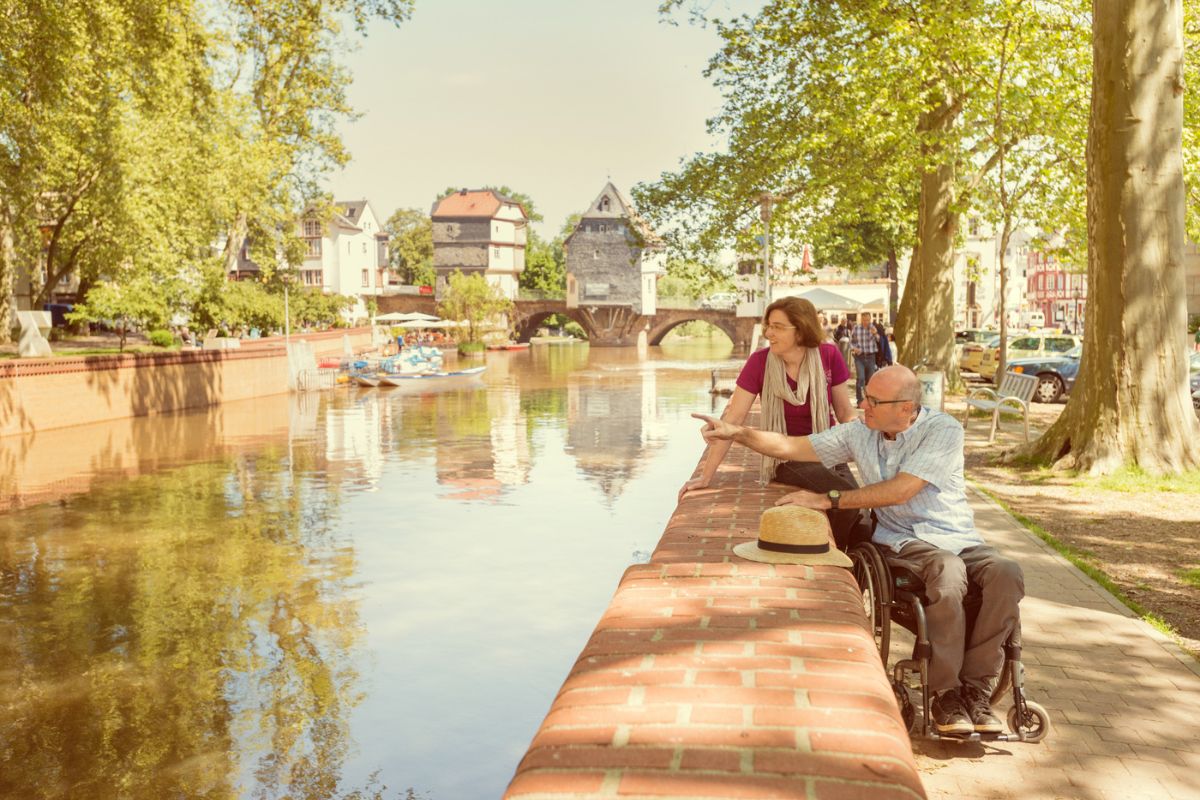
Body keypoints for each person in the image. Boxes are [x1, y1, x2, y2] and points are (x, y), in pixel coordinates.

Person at [691, 364, 1024, 736]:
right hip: (904, 540)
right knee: (948, 572)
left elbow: (901, 490)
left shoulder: (943, 430)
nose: (861, 405)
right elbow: (792, 446)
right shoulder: (859, 431)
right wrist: (737, 433)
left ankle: (975, 690)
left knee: (1006, 572)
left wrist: (831, 499)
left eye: (873, 401)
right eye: (865, 396)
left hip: (957, 535)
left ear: (906, 408)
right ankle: (945, 694)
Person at [679, 296, 870, 549]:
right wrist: (706, 476)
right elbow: (733, 420)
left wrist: (871, 449)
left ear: (800, 330)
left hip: (829, 450)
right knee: (842, 499)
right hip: (786, 455)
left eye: (777, 327)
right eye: (768, 325)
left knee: (863, 510)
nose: (769, 332)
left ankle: (856, 568)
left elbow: (845, 412)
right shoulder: (759, 363)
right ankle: (838, 561)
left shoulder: (828, 355)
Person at [849, 312, 879, 403]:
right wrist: (854, 348)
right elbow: (851, 342)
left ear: (870, 320)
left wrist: (875, 333)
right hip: (860, 357)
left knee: (870, 380)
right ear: (861, 319)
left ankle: (869, 399)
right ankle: (860, 400)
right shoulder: (856, 328)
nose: (866, 322)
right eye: (864, 320)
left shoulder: (873, 328)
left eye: (868, 320)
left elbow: (879, 340)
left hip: (871, 357)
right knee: (861, 378)